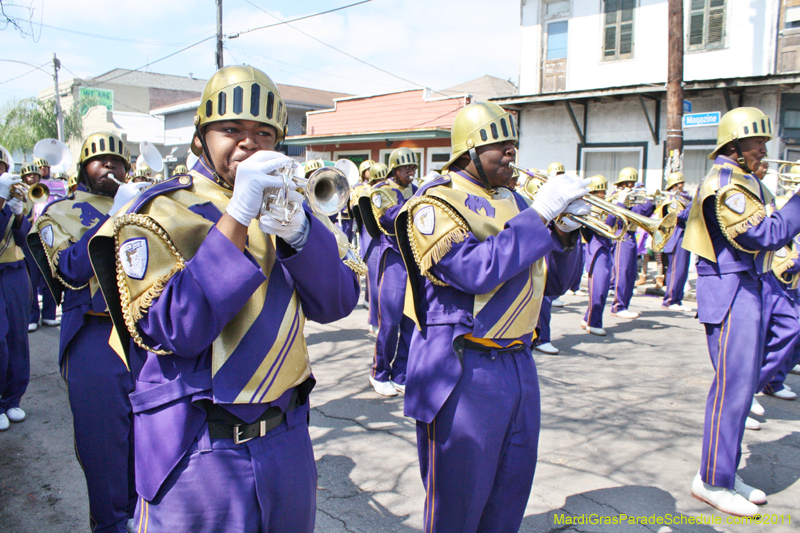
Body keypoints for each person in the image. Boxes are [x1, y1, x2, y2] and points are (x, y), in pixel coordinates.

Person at [88, 65, 360, 532]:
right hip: (198, 446)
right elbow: (175, 328)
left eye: (263, 132)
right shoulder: (161, 210)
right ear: (200, 138)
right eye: (230, 129)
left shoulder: (292, 203)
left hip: (286, 435)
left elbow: (337, 302)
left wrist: (299, 233)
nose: (248, 143)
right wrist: (236, 216)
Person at [396, 102, 589, 532]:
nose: (510, 154)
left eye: (513, 146)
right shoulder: (435, 203)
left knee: (510, 492)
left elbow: (555, 285)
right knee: (458, 505)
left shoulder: (518, 200)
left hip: (520, 361)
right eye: (499, 146)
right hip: (465, 366)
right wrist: (540, 217)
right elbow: (473, 272)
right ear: (469, 150)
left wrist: (567, 232)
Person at [682, 107, 800, 517]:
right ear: (735, 146)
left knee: (741, 385)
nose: (766, 152)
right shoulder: (726, 183)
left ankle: (724, 473)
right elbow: (762, 235)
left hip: (749, 286)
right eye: (759, 144)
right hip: (733, 290)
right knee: (731, 390)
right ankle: (713, 479)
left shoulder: (743, 180)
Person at [28, 132, 147, 532]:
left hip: (145, 334)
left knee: (153, 435)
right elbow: (72, 270)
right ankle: (111, 524)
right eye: (100, 161)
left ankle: (145, 514)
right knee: (104, 444)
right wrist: (117, 215)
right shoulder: (59, 212)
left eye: (117, 161)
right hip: (95, 335)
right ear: (83, 169)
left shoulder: (140, 202)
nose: (110, 167)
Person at [360, 147, 418, 396]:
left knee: (411, 321)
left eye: (414, 168)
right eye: (407, 169)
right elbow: (390, 219)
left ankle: (401, 373)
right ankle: (379, 372)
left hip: (414, 260)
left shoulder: (416, 190)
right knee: (391, 320)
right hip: (393, 257)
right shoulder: (380, 191)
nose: (411, 173)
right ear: (395, 168)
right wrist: (420, 206)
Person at [0, 152, 31, 432]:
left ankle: (12, 399)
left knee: (17, 338)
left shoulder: (15, 195)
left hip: (14, 272)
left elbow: (26, 239)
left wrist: (20, 213)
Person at [19, 163, 61, 331]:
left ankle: (49, 315)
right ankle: (32, 317)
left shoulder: (47, 190)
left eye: (35, 175)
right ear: (23, 178)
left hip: (46, 238)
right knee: (31, 280)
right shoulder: (19, 193)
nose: (32, 177)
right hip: (29, 240)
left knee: (50, 276)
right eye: (29, 176)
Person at [609, 168, 654, 319]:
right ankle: (618, 306)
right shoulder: (616, 196)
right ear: (622, 183)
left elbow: (639, 213)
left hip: (631, 234)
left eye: (633, 183)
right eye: (629, 183)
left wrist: (651, 202)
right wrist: (623, 199)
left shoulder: (633, 195)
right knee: (622, 271)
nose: (632, 186)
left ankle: (624, 305)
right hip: (621, 234)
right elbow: (616, 215)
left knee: (630, 272)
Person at [580, 175, 617, 336]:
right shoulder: (590, 207)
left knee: (601, 287)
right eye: (601, 191)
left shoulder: (602, 206)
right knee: (599, 288)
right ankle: (594, 322)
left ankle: (588, 318)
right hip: (596, 248)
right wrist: (619, 205)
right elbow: (606, 225)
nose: (604, 194)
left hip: (605, 247)